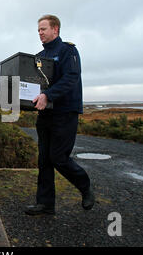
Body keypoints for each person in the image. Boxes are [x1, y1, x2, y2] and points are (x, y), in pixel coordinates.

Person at [25, 14, 94, 216]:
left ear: (55, 29)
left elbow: (71, 78)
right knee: (44, 160)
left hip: (65, 112)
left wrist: (48, 95)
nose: (40, 33)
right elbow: (35, 84)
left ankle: (85, 186)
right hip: (45, 114)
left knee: (58, 157)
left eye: (43, 29)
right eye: (38, 30)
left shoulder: (68, 51)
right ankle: (45, 204)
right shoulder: (37, 57)